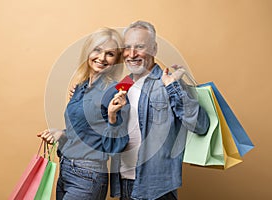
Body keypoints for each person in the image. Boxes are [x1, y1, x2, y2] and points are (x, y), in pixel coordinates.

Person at [109, 21, 210, 200]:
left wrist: (173, 87)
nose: (132, 54)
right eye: (127, 47)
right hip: (125, 182)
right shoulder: (122, 86)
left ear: (154, 49)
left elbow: (201, 125)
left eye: (139, 47)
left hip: (157, 187)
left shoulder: (169, 82)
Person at [37, 27, 130, 200]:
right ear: (88, 52)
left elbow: (116, 146)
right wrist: (61, 134)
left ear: (116, 60)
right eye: (97, 50)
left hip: (88, 176)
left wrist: (112, 117)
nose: (101, 58)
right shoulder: (80, 87)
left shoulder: (114, 92)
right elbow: (86, 132)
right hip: (65, 170)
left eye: (109, 54)